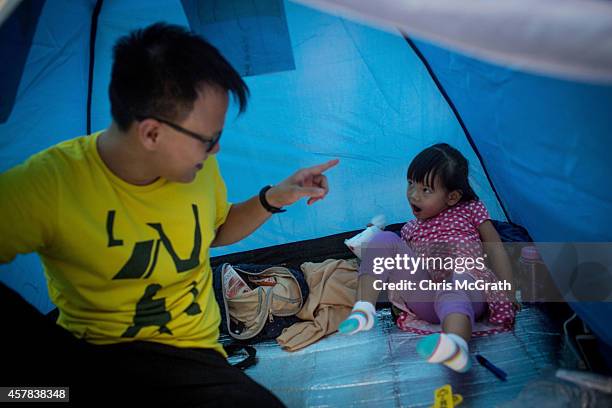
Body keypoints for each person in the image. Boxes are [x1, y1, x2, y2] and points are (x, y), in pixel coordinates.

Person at [0, 22, 338, 405]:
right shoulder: (51, 184)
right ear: (151, 134)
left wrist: (276, 196)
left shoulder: (196, 168)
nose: (215, 153)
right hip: (95, 356)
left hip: (189, 357)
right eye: (209, 140)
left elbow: (215, 231)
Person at [339, 143, 517, 373]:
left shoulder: (471, 209)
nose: (413, 195)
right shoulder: (411, 227)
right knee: (384, 240)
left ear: (452, 197)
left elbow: (495, 248)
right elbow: (400, 266)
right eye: (411, 183)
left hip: (467, 288)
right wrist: (372, 240)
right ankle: (364, 308)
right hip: (427, 296)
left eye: (426, 190)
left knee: (454, 285)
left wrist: (508, 291)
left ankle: (455, 345)